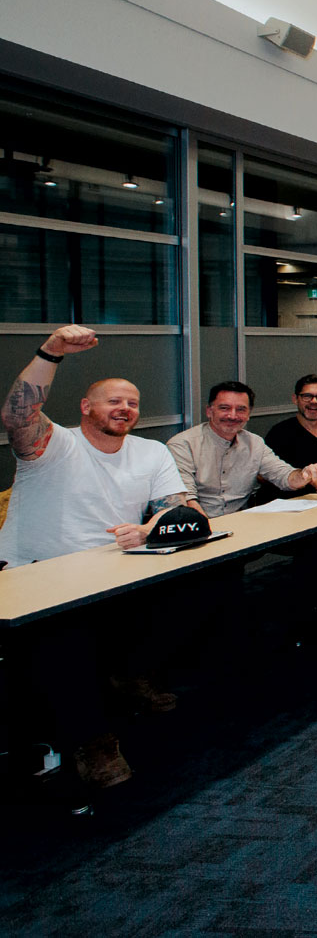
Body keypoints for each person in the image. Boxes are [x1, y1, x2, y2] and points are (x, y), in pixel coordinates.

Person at [0, 326, 198, 787]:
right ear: (86, 407)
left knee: (201, 590)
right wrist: (50, 352)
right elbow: (17, 416)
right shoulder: (52, 446)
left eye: (131, 402)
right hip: (35, 576)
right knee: (68, 641)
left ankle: (128, 674)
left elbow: (184, 508)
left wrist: (151, 527)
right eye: (113, 401)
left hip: (110, 570)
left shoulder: (150, 451)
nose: (124, 408)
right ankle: (93, 741)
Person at [167, 381, 317, 515]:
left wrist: (304, 475)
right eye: (224, 408)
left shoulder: (254, 443)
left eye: (241, 409)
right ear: (209, 411)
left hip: (243, 524)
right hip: (198, 525)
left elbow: (284, 477)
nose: (232, 415)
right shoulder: (183, 444)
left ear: (248, 414)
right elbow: (185, 500)